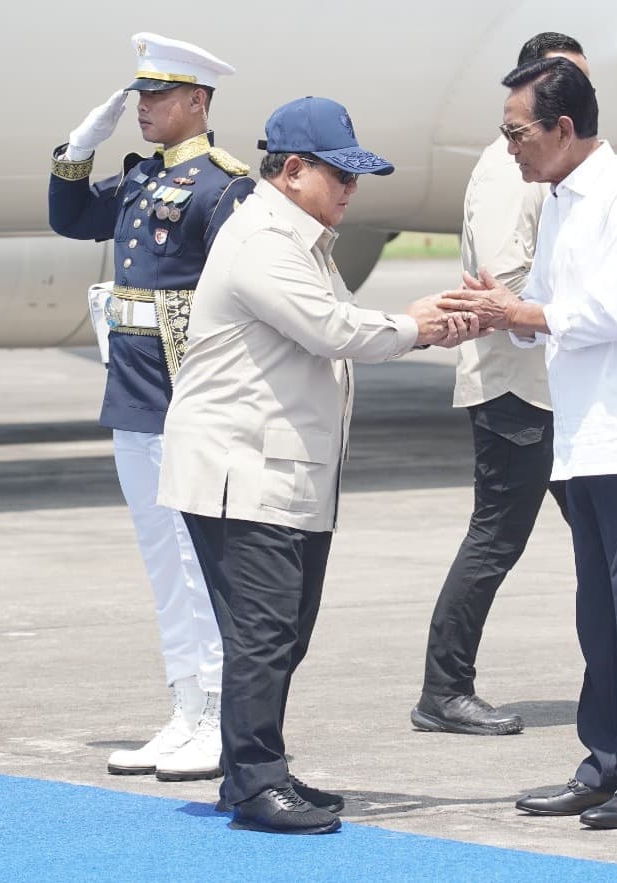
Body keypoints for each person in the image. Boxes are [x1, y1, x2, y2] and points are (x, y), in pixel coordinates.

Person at [157, 96, 476, 835]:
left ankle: (254, 767)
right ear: (293, 169)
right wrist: (417, 327)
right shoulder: (265, 239)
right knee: (265, 634)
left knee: (279, 634)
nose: (350, 190)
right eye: (339, 175)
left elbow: (335, 326)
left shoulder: (298, 239)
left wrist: (412, 322)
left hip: (282, 472)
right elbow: (331, 329)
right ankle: (256, 781)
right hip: (245, 472)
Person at [441, 57, 617, 829]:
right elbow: (544, 307)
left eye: (517, 132)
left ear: (562, 126)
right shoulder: (557, 197)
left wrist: (519, 314)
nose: (509, 146)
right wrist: (497, 312)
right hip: (581, 433)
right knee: (599, 613)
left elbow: (607, 313)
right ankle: (605, 761)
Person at [48, 32, 253, 782]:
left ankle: (223, 716)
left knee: (201, 566)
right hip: (132, 394)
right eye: (139, 95)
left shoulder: (222, 187)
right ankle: (186, 706)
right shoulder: (141, 182)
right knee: (163, 564)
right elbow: (71, 220)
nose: (143, 108)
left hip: (186, 396)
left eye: (158, 95)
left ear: (196, 101)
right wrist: (76, 150)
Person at [411, 31, 585, 739]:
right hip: (516, 384)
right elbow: (498, 276)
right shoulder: (506, 167)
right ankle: (443, 688)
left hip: (552, 380)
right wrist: (560, 308)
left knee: (612, 532)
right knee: (496, 537)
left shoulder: (557, 166)